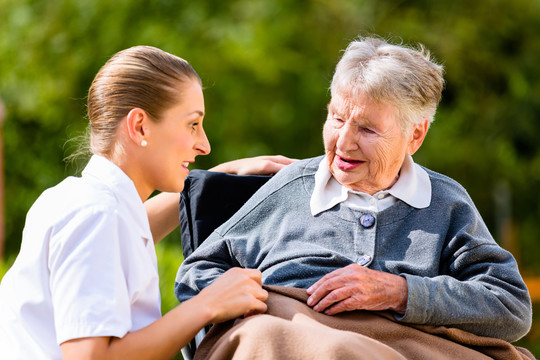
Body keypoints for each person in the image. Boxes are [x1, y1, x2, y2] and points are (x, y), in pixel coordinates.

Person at [175, 37, 533, 359]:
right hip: (295, 339)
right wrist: (258, 302)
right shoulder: (289, 189)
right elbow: (196, 274)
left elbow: (511, 308)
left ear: (415, 135)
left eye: (366, 129)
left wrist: (401, 293)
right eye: (336, 118)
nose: (343, 142)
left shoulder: (446, 203)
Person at [0, 45, 294, 359]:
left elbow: (130, 231)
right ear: (140, 125)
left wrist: (221, 174)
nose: (204, 145)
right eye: (192, 124)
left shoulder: (87, 203)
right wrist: (208, 304)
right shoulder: (95, 214)